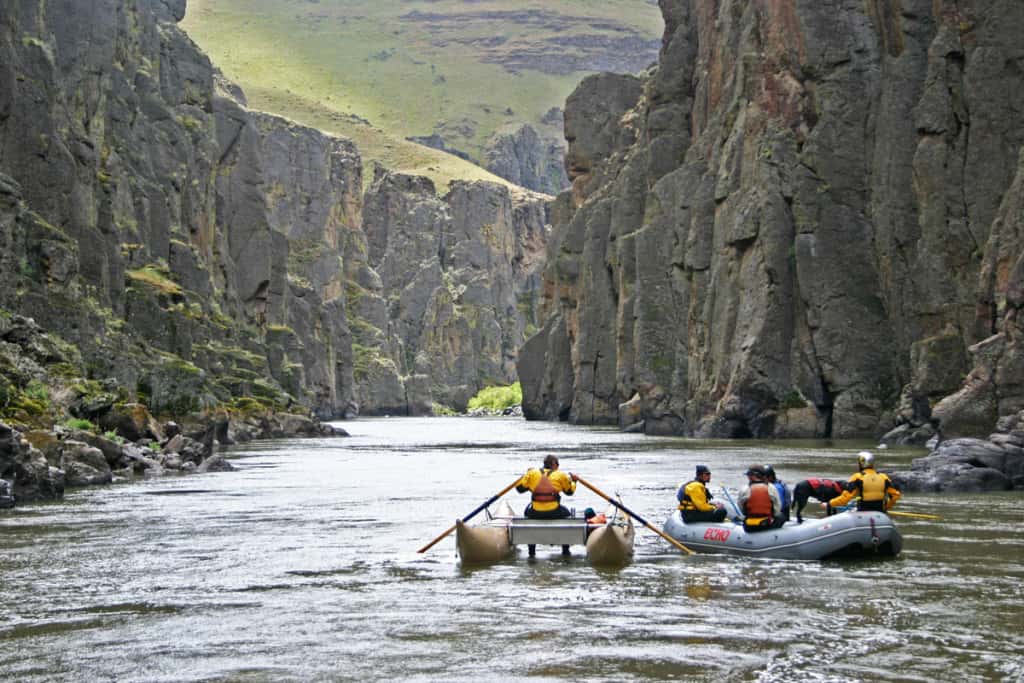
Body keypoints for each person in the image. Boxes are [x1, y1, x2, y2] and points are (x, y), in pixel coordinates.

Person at [516, 454, 578, 556]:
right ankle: (565, 549)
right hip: (555, 512)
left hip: (535, 513)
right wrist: (574, 481)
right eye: (558, 464)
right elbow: (570, 492)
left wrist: (526, 475)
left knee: (526, 512)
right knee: (567, 514)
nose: (558, 466)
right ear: (554, 464)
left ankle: (531, 552)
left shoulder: (532, 473)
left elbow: (519, 488)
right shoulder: (560, 475)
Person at [825, 451, 902, 513]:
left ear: (862, 464)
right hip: (880, 512)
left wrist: (830, 503)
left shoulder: (858, 477)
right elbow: (895, 496)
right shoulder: (883, 477)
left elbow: (846, 498)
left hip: (863, 512)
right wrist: (886, 507)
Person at [737, 464, 782, 532]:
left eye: (748, 475)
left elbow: (741, 508)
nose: (748, 477)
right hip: (766, 524)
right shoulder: (772, 488)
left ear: (752, 476)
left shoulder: (744, 489)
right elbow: (777, 509)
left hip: (749, 526)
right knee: (781, 516)